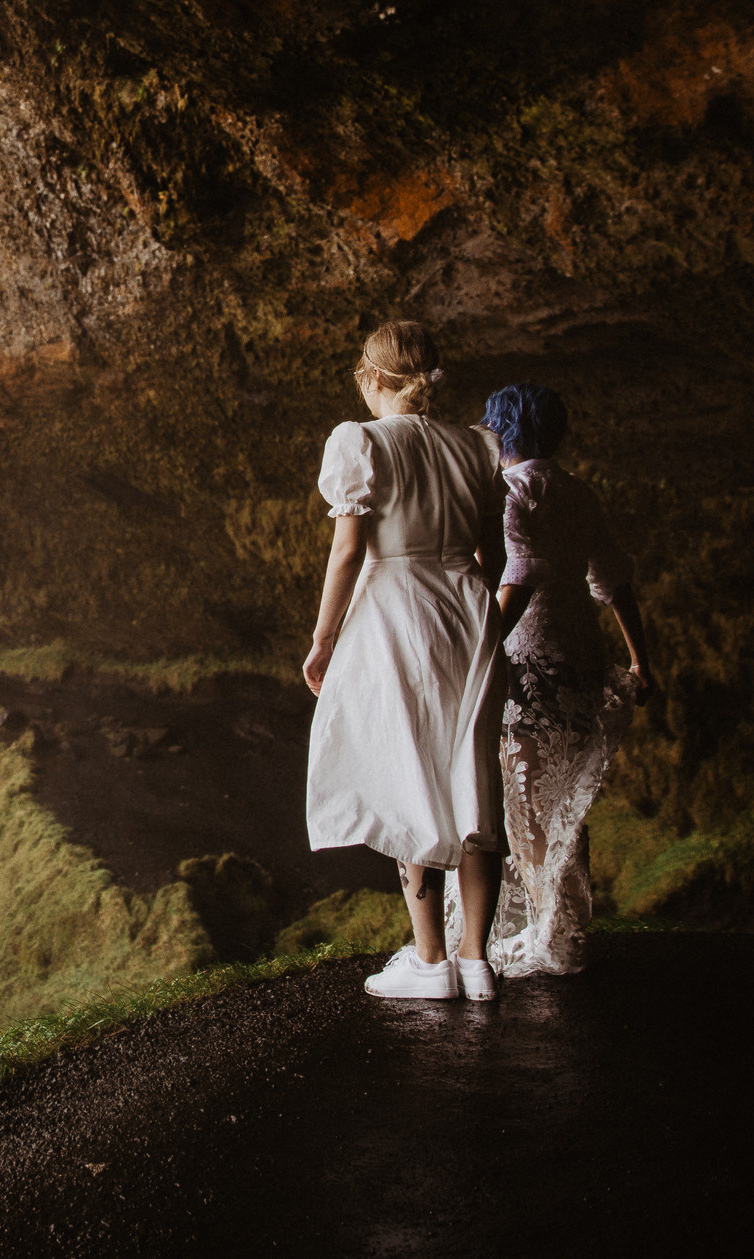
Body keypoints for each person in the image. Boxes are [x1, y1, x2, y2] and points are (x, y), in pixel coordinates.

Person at [302, 321, 511, 1001]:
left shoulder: (361, 442)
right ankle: (476, 960)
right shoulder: (477, 446)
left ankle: (430, 960)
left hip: (399, 608)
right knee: (472, 777)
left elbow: (348, 552)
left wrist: (324, 639)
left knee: (408, 772)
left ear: (372, 378)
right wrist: (480, 613)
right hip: (470, 610)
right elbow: (493, 556)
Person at [455, 381, 651, 977]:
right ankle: (560, 927)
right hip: (580, 653)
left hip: (528, 658)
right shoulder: (577, 491)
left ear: (502, 431)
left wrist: (484, 642)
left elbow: (520, 574)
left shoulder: (513, 491)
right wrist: (641, 660)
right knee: (561, 801)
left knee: (523, 797)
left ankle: (550, 934)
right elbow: (614, 581)